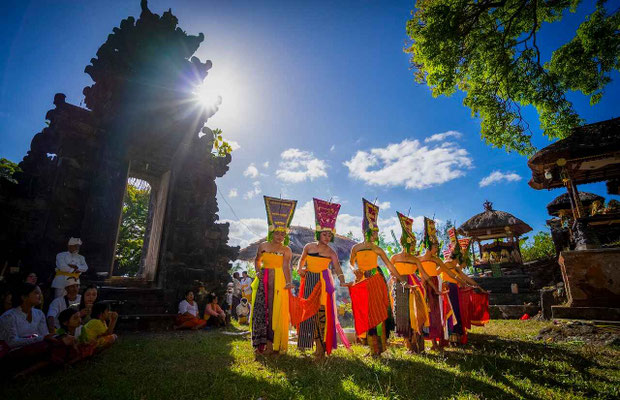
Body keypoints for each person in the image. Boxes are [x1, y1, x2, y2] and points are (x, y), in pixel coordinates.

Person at [348, 199, 410, 357]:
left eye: (377, 231)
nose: (377, 234)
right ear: (366, 232)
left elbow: (390, 266)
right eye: (374, 232)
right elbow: (350, 263)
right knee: (366, 314)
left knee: (378, 313)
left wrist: (402, 280)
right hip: (361, 282)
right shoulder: (356, 247)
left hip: (376, 280)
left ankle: (380, 349)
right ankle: (371, 348)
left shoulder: (377, 248)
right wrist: (355, 270)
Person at [294, 198, 351, 359]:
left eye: (329, 235)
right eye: (324, 234)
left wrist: (341, 280)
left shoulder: (331, 252)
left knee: (321, 312)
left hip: (324, 281)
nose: (327, 237)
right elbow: (302, 260)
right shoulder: (308, 247)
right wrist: (300, 269)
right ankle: (304, 344)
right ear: (319, 233)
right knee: (307, 311)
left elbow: (338, 267)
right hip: (309, 279)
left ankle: (320, 348)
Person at [250, 195, 295, 355]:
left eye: (283, 234)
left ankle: (274, 345)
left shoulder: (286, 250)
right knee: (262, 310)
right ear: (272, 233)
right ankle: (260, 345)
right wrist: (257, 272)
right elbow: (257, 260)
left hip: (279, 282)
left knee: (276, 311)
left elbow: (286, 266)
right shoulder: (263, 245)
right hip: (264, 280)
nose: (280, 237)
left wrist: (289, 282)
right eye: (277, 234)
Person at [389, 212, 437, 354]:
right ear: (404, 243)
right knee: (402, 315)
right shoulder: (395, 257)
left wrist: (436, 289)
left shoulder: (415, 259)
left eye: (414, 243)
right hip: (399, 285)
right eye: (412, 243)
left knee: (416, 314)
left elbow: (425, 275)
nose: (413, 246)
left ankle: (418, 345)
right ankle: (409, 345)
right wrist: (397, 280)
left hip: (415, 286)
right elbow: (392, 272)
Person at [419, 217, 464, 350]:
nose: (437, 248)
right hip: (424, 285)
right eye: (435, 246)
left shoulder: (437, 259)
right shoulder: (419, 259)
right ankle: (432, 343)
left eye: (437, 246)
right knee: (427, 314)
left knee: (437, 313)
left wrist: (461, 281)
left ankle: (439, 343)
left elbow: (449, 273)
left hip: (436, 285)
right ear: (429, 246)